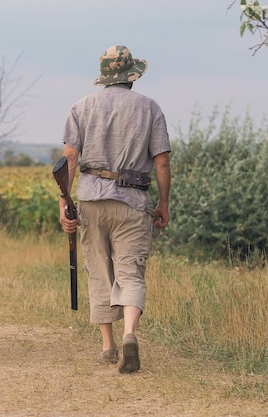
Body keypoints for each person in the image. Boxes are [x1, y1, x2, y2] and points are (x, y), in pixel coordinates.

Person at [58, 45, 171, 373]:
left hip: (92, 200)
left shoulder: (81, 106)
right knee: (130, 271)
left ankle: (108, 346)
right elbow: (161, 160)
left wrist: (64, 202)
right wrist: (163, 203)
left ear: (105, 77)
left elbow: (69, 159)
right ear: (132, 77)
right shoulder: (150, 108)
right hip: (134, 202)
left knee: (99, 270)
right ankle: (129, 334)